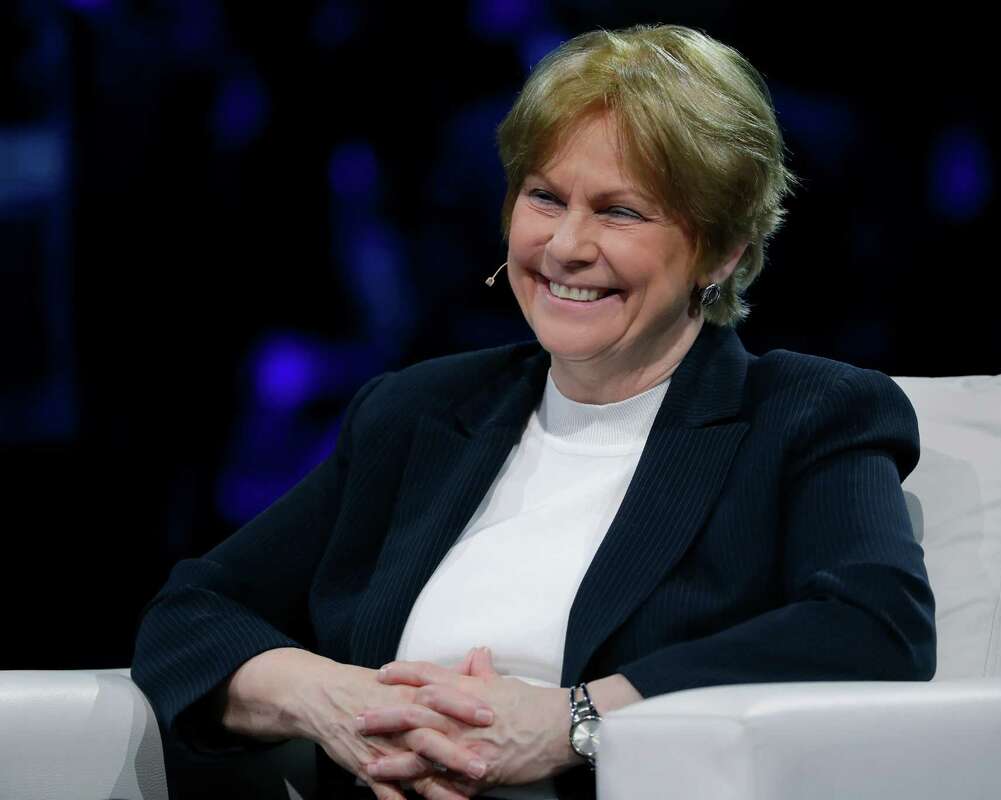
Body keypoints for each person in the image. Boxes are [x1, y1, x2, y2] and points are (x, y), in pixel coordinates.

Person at [132, 23, 936, 800]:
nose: (565, 246)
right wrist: (335, 700)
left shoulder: (804, 413)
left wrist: (574, 722)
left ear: (720, 250)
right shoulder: (419, 412)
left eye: (620, 211)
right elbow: (193, 613)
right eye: (545, 197)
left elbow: (875, 626)